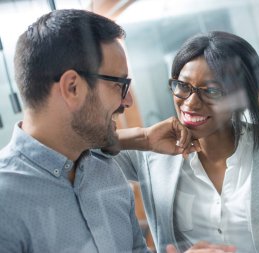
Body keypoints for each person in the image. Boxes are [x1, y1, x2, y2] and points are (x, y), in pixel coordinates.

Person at [0, 9, 235, 253]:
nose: (128, 101)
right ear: (72, 88)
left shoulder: (106, 173)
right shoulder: (5, 200)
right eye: (120, 85)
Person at [114, 31, 259, 253]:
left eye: (212, 91)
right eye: (183, 86)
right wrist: (143, 138)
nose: (191, 103)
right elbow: (79, 146)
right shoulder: (151, 155)